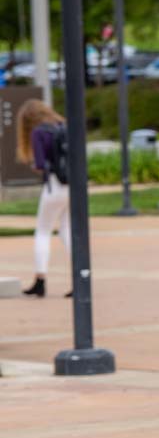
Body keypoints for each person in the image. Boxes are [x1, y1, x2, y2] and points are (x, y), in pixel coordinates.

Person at [15, 99, 71, 298]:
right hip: (72, 185)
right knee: (67, 229)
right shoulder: (63, 126)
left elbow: (40, 163)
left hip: (54, 185)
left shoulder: (38, 132)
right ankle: (81, 275)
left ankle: (40, 279)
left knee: (43, 231)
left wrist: (38, 166)